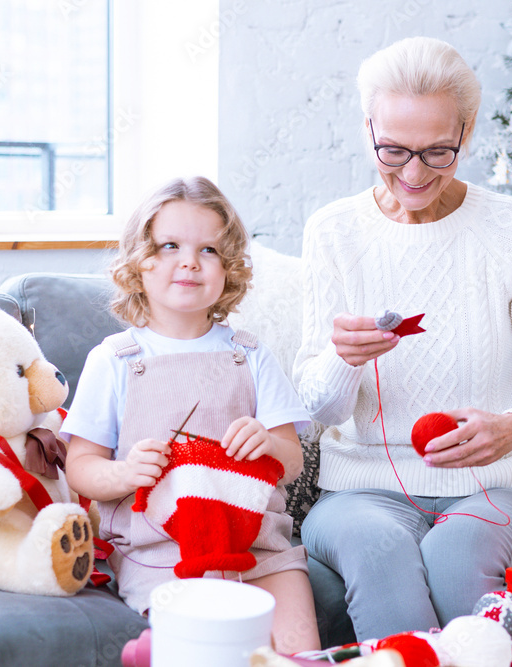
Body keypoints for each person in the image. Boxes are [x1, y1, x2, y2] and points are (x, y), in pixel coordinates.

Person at [292, 37, 512, 641]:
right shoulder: (333, 232)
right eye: (393, 150)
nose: (413, 174)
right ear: (367, 129)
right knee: (381, 553)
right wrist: (340, 360)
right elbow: (317, 410)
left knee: (456, 555)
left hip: (495, 490)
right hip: (361, 493)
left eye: (438, 153)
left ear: (467, 129)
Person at [63, 176, 320, 653]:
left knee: (296, 652)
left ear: (229, 267)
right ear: (139, 262)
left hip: (260, 548)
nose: (189, 261)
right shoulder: (115, 359)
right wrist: (124, 472)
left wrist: (268, 442)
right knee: (208, 652)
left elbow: (292, 460)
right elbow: (80, 469)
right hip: (162, 553)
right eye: (169, 246)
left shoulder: (251, 355)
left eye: (208, 250)